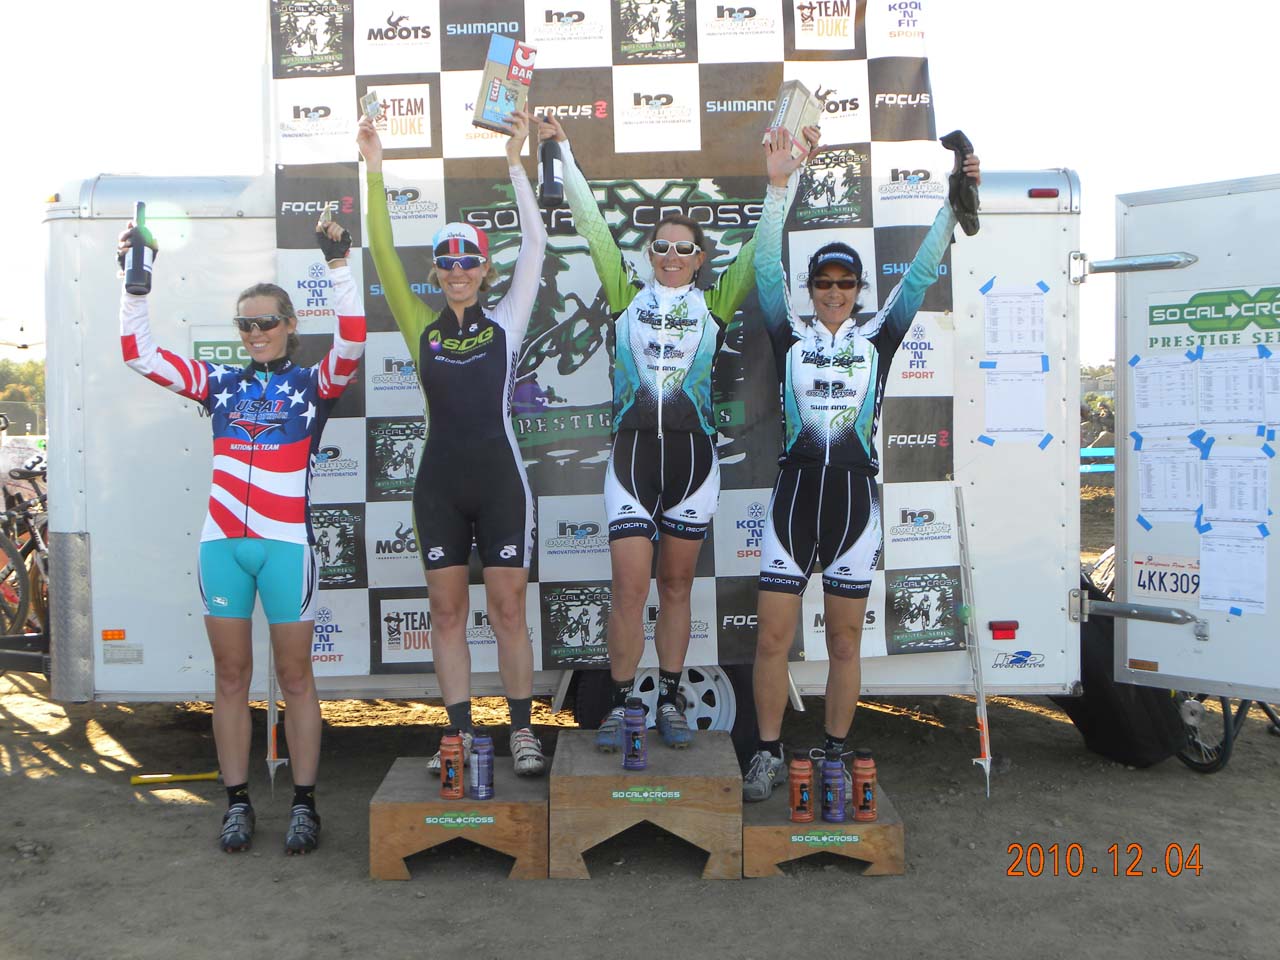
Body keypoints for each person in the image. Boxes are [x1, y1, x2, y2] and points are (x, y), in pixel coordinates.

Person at [538, 116, 816, 751]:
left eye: (682, 248)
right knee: (629, 588)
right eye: (660, 246)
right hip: (632, 460)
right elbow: (591, 227)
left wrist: (781, 184)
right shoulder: (624, 294)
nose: (669, 255)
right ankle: (616, 706)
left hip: (694, 462)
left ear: (699, 259)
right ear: (649, 256)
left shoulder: (715, 302)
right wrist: (563, 152)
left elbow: (762, 251)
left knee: (676, 586)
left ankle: (666, 697)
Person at [742, 128, 981, 801]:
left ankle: (835, 752)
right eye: (825, 281)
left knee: (845, 644)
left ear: (858, 287)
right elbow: (764, 267)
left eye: (847, 282)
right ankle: (765, 752)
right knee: (772, 641)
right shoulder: (788, 336)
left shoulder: (880, 338)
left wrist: (952, 202)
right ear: (812, 287)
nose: (836, 291)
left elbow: (923, 273)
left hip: (853, 507)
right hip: (792, 501)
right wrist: (776, 185)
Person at [117, 214, 366, 851]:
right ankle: (236, 802)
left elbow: (355, 340)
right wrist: (134, 283)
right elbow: (138, 354)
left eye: (266, 323)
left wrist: (338, 265)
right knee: (230, 678)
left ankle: (305, 803)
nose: (254, 333)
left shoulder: (314, 385)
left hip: (286, 547)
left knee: (297, 679)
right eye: (245, 324)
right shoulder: (219, 385)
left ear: (289, 326)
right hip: (222, 546)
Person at [358, 110, 549, 775]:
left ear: (482, 268)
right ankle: (463, 737)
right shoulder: (421, 328)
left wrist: (514, 162)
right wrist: (375, 166)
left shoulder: (507, 320)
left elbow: (537, 245)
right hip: (439, 482)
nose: (458, 268)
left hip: (500, 479)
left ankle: (521, 731)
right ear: (437, 272)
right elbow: (381, 249)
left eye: (468, 258)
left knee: (507, 610)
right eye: (447, 260)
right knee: (445, 612)